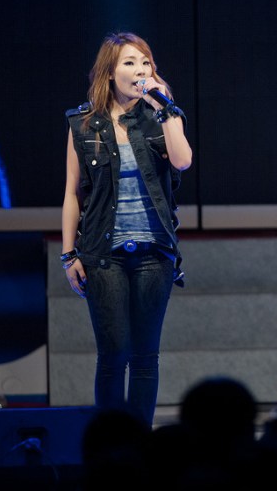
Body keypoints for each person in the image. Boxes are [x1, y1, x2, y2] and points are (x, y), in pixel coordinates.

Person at [61, 32, 193, 427]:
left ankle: (139, 443)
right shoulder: (83, 123)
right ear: (110, 72)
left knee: (145, 356)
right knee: (113, 354)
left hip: (155, 252)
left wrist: (166, 107)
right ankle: (109, 444)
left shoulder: (162, 116)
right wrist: (68, 254)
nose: (140, 70)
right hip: (103, 253)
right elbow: (72, 193)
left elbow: (182, 161)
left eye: (145, 62)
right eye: (130, 63)